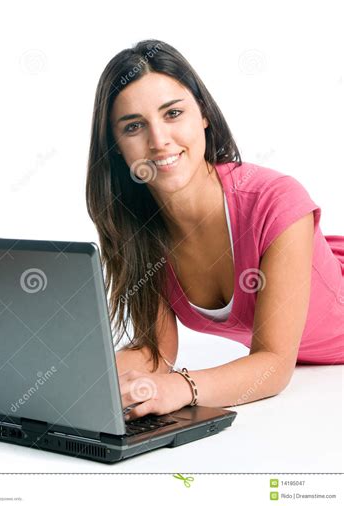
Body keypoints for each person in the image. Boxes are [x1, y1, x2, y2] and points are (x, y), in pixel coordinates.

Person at [85, 39, 344, 421]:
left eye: (172, 113)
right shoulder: (138, 228)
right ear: (117, 147)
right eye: (135, 126)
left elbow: (273, 365)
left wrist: (181, 388)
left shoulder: (274, 200)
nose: (159, 142)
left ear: (203, 114)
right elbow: (158, 351)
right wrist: (81, 376)